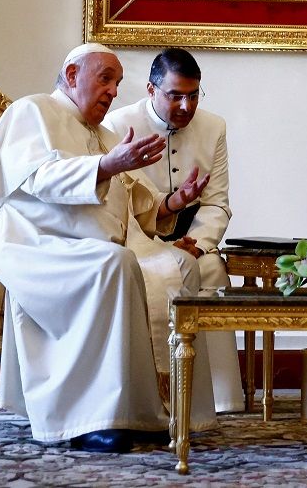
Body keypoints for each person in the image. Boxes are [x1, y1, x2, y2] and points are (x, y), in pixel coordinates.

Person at [0, 43, 217, 453]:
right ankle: (93, 418)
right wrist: (107, 165)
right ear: (71, 76)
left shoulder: (104, 135)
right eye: (105, 79)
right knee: (112, 264)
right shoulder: (33, 112)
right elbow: (41, 179)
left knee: (182, 266)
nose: (114, 91)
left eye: (117, 83)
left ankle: (161, 411)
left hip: (87, 244)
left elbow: (131, 201)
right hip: (34, 242)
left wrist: (174, 202)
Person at [103, 47, 244, 413]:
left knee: (211, 268)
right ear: (151, 90)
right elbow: (120, 203)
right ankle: (156, 395)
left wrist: (196, 244)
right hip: (139, 235)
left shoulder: (214, 127)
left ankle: (222, 397)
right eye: (175, 96)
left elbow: (216, 202)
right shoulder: (117, 126)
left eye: (193, 95)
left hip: (191, 234)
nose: (186, 106)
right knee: (161, 273)